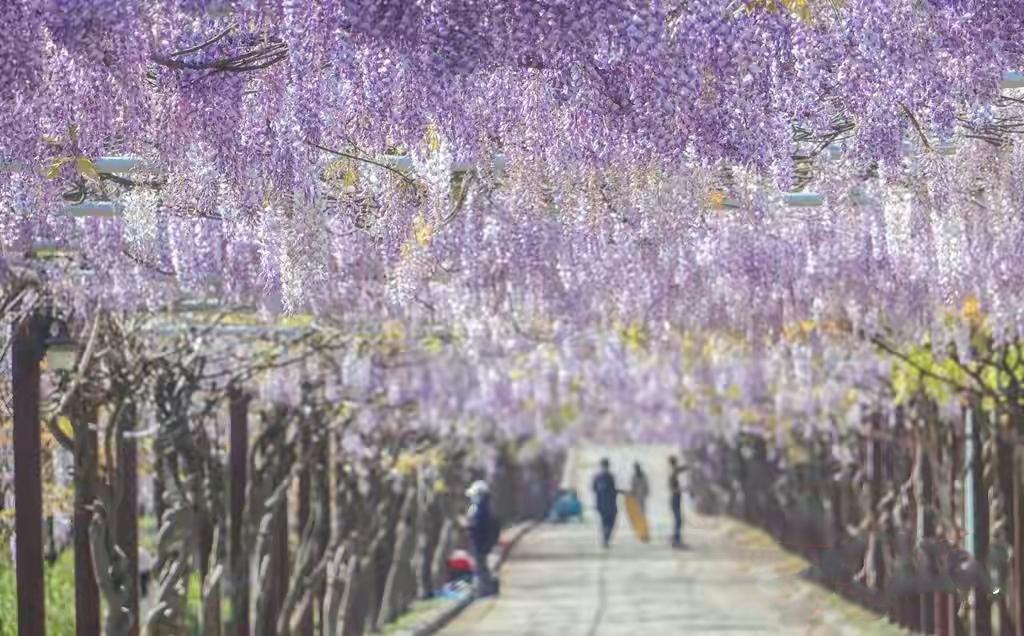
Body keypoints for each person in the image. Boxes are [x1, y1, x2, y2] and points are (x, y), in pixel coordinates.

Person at [465, 480, 500, 597]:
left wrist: (468, 526)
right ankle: (486, 588)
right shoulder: (486, 508)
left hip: (479, 543)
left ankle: (483, 590)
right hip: (482, 543)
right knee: (482, 566)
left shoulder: (480, 509)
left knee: (480, 566)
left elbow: (476, 526)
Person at [592, 458, 620, 548]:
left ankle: (605, 539)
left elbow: (594, 489)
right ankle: (606, 539)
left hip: (600, 503)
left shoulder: (596, 477)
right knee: (610, 522)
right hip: (610, 504)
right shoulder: (610, 477)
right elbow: (613, 490)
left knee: (604, 522)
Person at [668, 455, 689, 548]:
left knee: (678, 520)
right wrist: (682, 489)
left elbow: (682, 469)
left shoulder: (674, 472)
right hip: (674, 499)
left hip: (676, 499)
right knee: (678, 520)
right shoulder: (673, 474)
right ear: (674, 463)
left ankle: (676, 539)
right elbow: (673, 489)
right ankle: (676, 540)